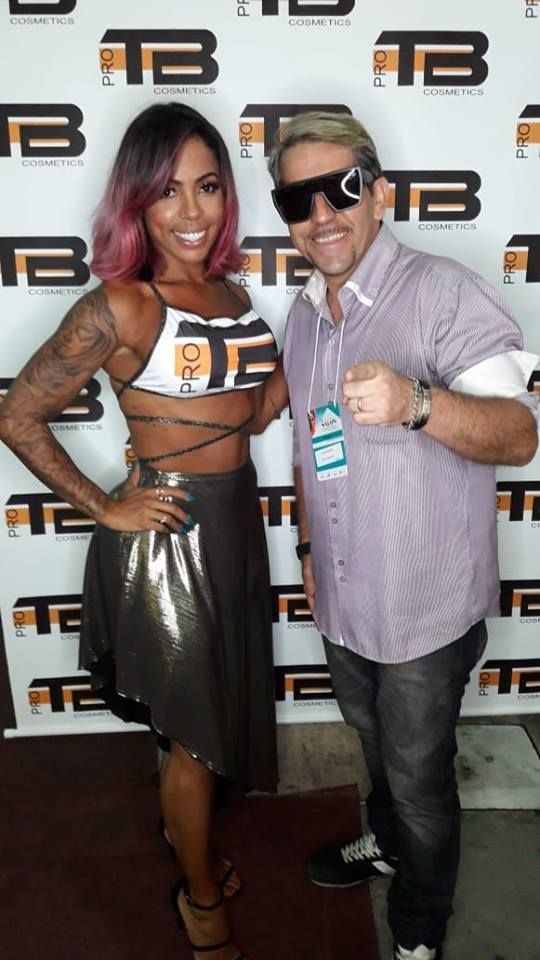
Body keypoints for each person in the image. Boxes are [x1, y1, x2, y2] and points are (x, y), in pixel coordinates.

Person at [0, 102, 287, 960]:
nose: (192, 211)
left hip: (235, 523)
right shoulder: (121, 305)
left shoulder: (234, 293)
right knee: (195, 738)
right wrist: (106, 505)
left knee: (202, 720)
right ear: (137, 201)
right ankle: (200, 900)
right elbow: (18, 415)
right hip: (169, 539)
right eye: (168, 191)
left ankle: (183, 836)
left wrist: (319, 341)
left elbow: (250, 413)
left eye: (208, 186)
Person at [268, 111, 539, 960]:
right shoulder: (303, 317)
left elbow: (520, 435)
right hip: (344, 599)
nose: (322, 214)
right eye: (297, 199)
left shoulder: (444, 293)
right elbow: (310, 450)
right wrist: (308, 552)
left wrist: (417, 402)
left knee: (422, 786)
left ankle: (419, 930)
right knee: (377, 749)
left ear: (379, 193)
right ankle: (383, 843)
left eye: (341, 189)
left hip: (424, 610)